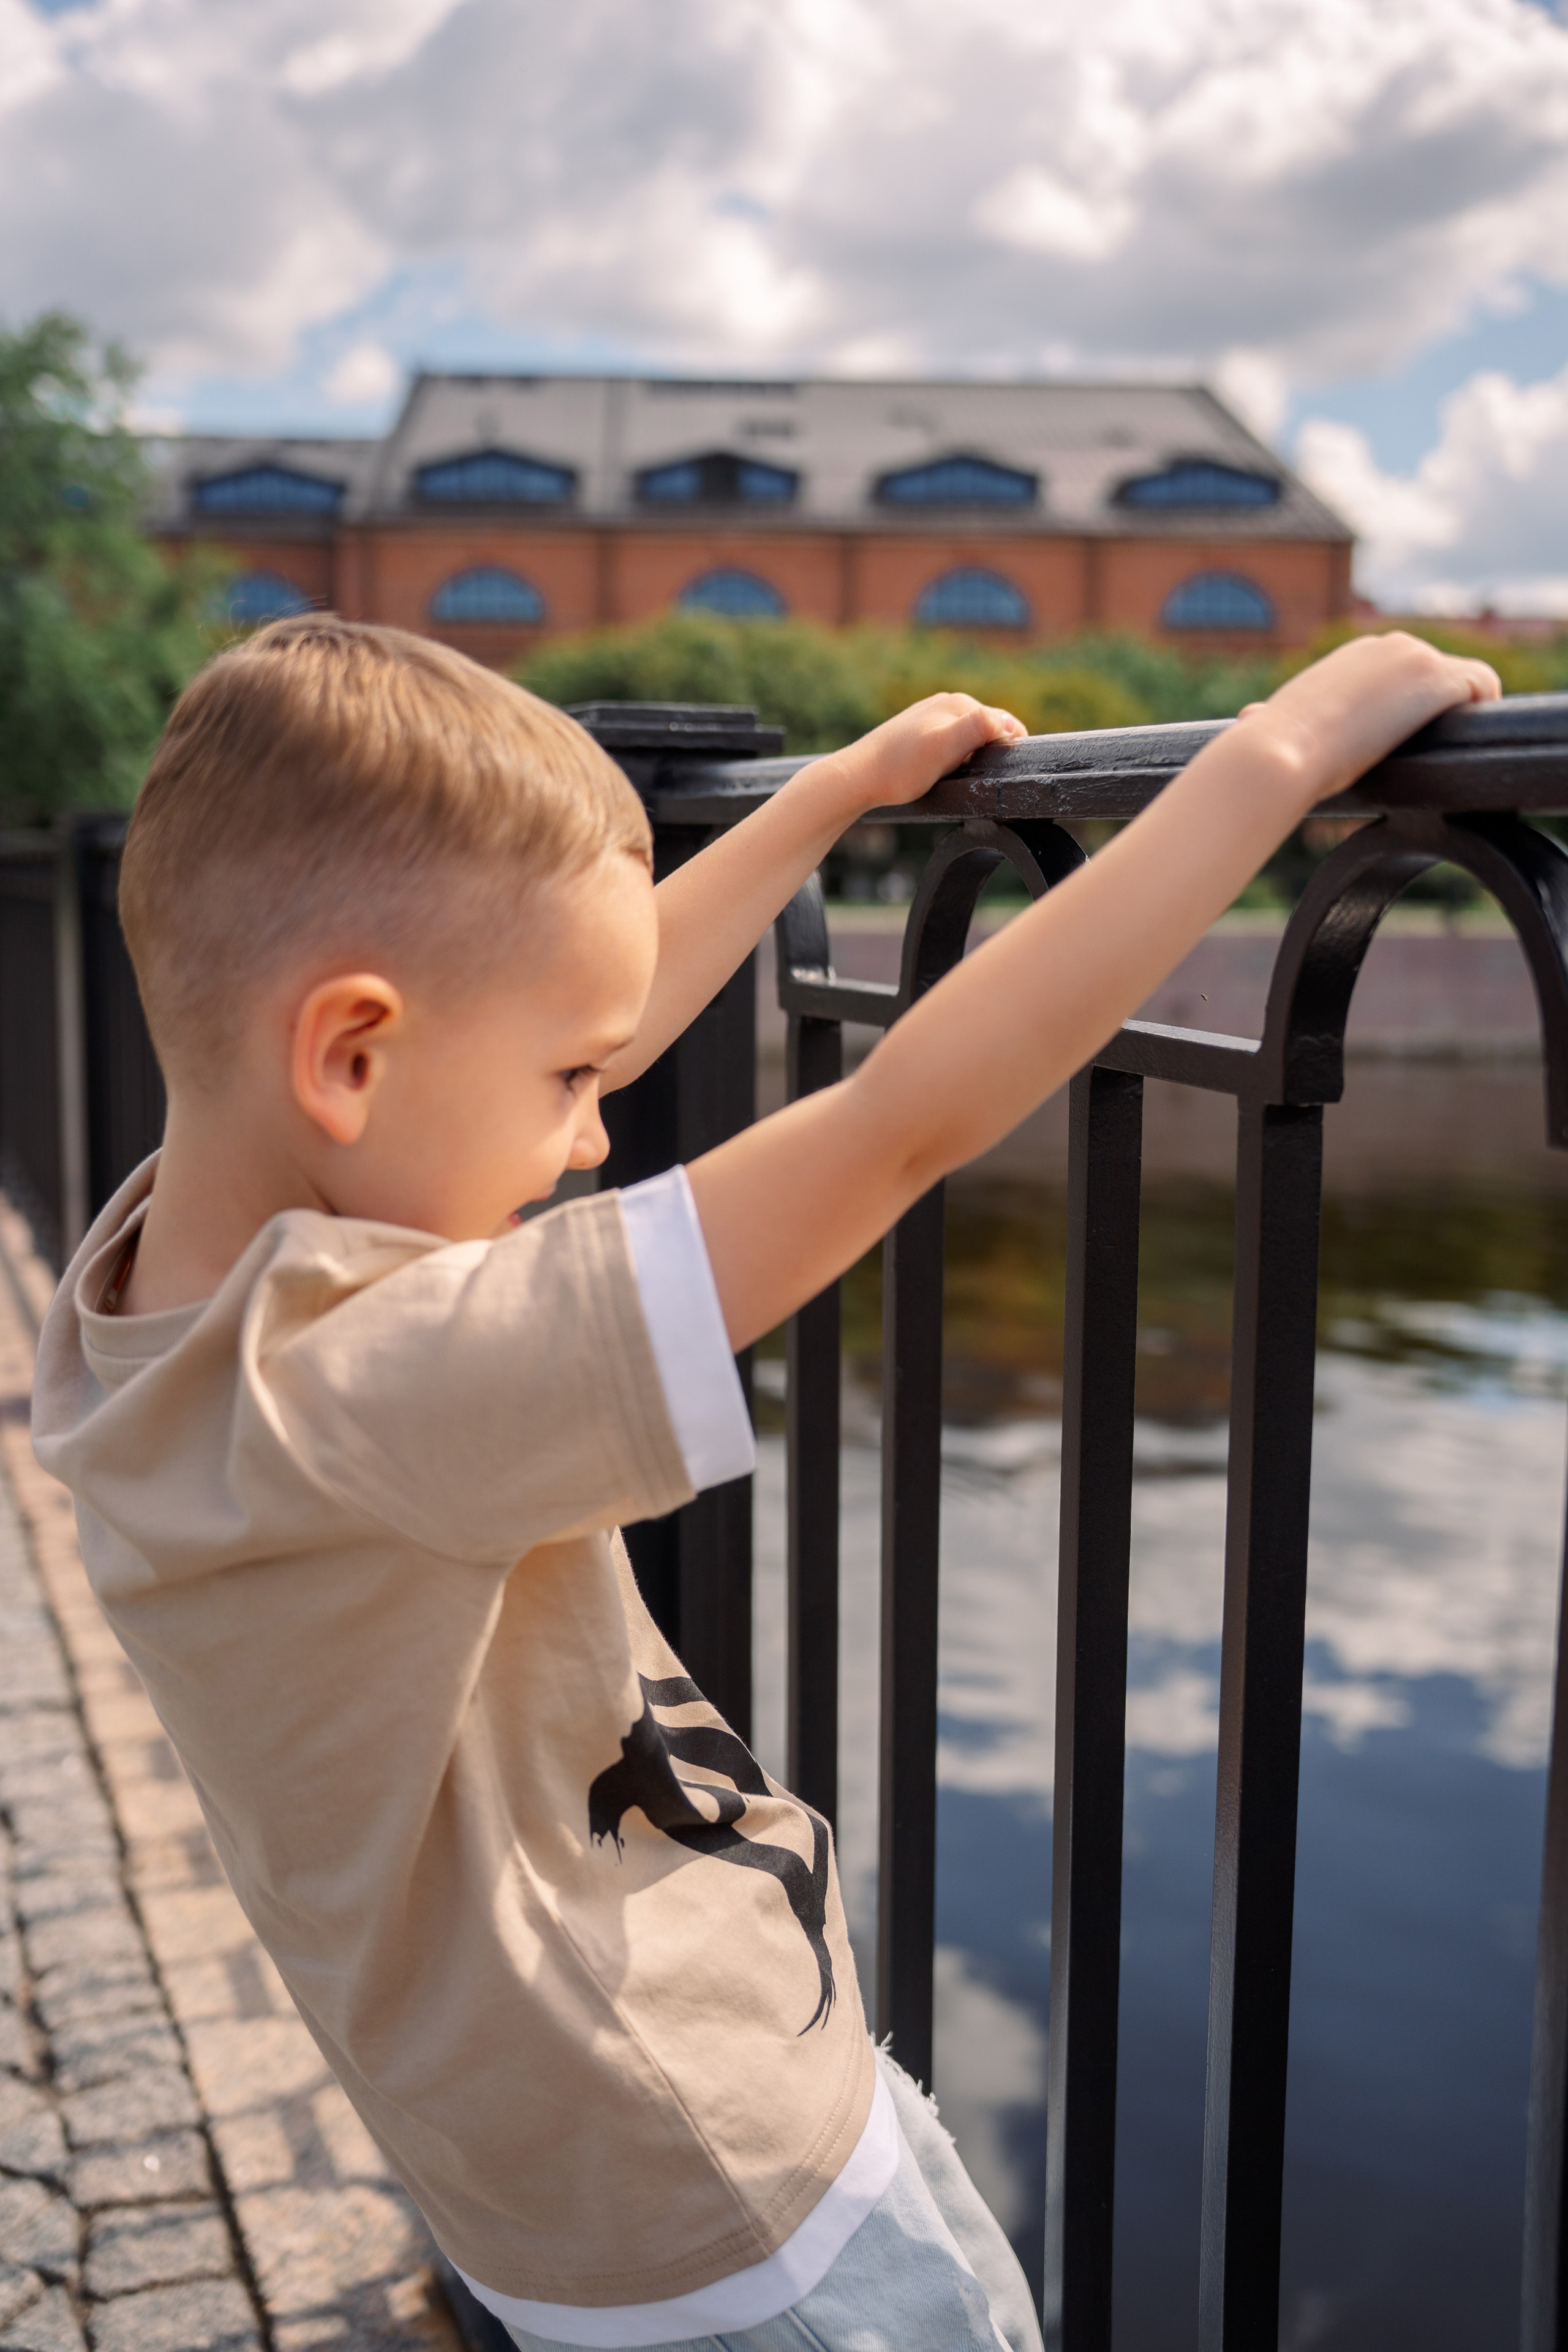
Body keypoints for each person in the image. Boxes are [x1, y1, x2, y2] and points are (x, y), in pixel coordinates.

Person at [32, 617, 1498, 2352]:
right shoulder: (375, 1381)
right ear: (350, 1057)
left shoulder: (158, 1292)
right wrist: (1275, 758)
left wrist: (834, 799)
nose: (595, 1131)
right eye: (572, 1089)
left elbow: (567, 1006)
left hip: (566, 2192)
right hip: (734, 2212)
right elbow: (898, 1124)